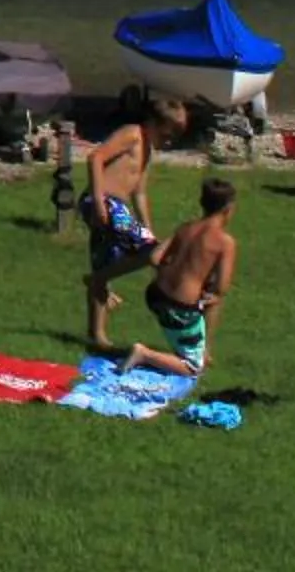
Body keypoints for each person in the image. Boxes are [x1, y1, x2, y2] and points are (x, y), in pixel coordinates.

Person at [82, 97, 185, 347]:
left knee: (103, 262)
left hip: (118, 206)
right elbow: (96, 157)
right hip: (104, 202)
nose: (170, 139)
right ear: (152, 123)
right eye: (167, 132)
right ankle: (97, 282)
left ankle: (97, 336)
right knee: (153, 254)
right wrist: (97, 199)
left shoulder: (147, 149)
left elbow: (139, 192)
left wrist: (147, 227)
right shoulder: (132, 134)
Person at [120, 177, 239, 378]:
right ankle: (144, 354)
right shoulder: (225, 242)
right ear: (228, 210)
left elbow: (154, 257)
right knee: (193, 368)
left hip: (156, 295)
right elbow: (222, 287)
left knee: (207, 303)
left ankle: (199, 349)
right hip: (179, 309)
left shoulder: (186, 228)